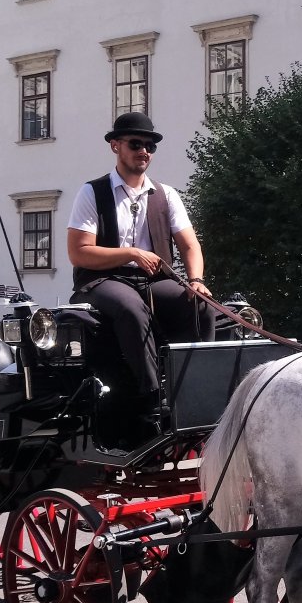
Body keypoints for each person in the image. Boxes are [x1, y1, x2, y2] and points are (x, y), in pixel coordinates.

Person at [66, 110, 216, 437]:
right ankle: (150, 402)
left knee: (202, 307)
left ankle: (196, 395)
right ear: (115, 146)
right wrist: (131, 253)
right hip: (101, 280)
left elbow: (190, 246)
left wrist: (196, 281)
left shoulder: (166, 195)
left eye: (150, 146)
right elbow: (79, 252)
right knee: (132, 309)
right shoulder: (92, 193)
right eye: (136, 143)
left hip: (151, 281)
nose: (144, 151)